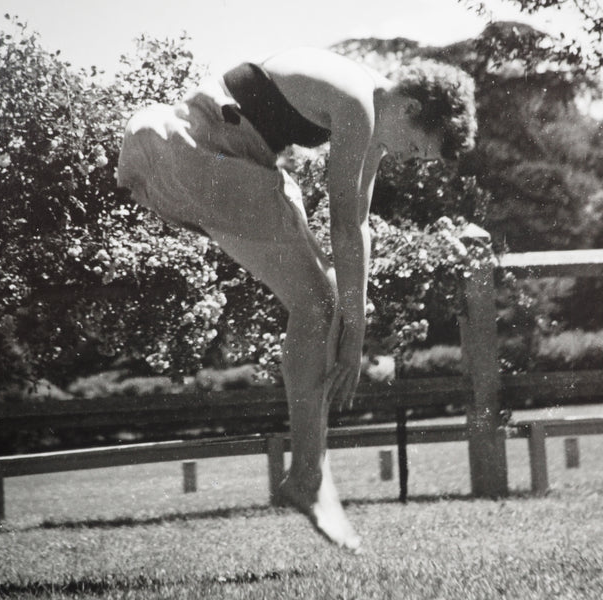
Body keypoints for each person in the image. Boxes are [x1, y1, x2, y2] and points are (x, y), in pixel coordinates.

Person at [117, 47, 477, 551]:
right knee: (320, 306)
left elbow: (362, 226)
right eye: (418, 149)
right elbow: (343, 222)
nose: (409, 160)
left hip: (198, 152)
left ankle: (309, 471)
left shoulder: (372, 108)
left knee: (325, 299)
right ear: (413, 108)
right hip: (198, 151)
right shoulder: (358, 103)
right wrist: (352, 339)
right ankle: (308, 475)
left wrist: (355, 325)